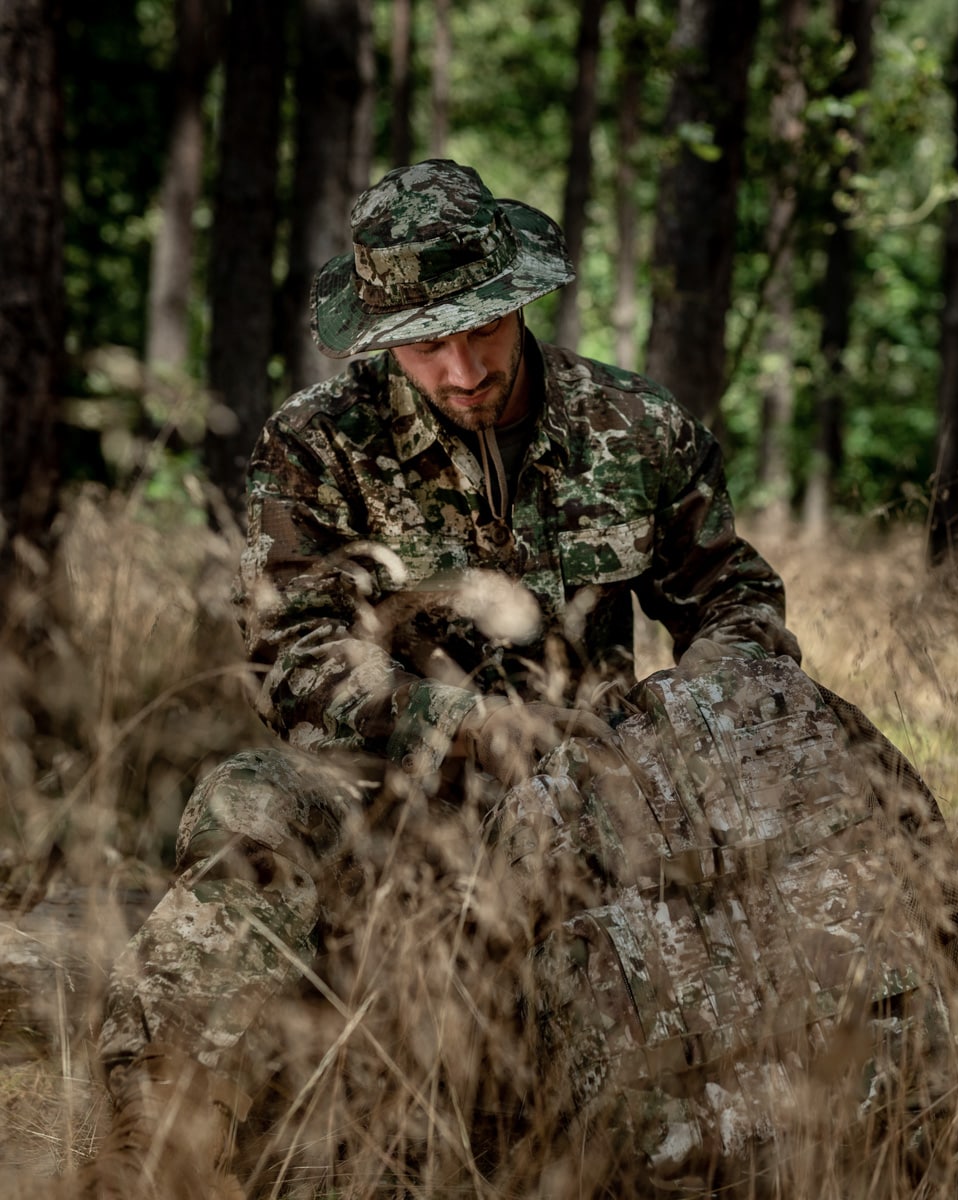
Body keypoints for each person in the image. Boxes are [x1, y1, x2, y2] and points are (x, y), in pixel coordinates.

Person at [55, 159, 812, 1198]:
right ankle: (150, 1155)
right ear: (380, 340)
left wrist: (678, 728)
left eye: (481, 330)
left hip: (596, 787)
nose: (461, 371)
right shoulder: (317, 446)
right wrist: (446, 723)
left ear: (520, 299)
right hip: (384, 786)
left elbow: (740, 608)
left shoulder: (635, 430)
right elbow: (295, 657)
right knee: (249, 803)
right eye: (425, 344)